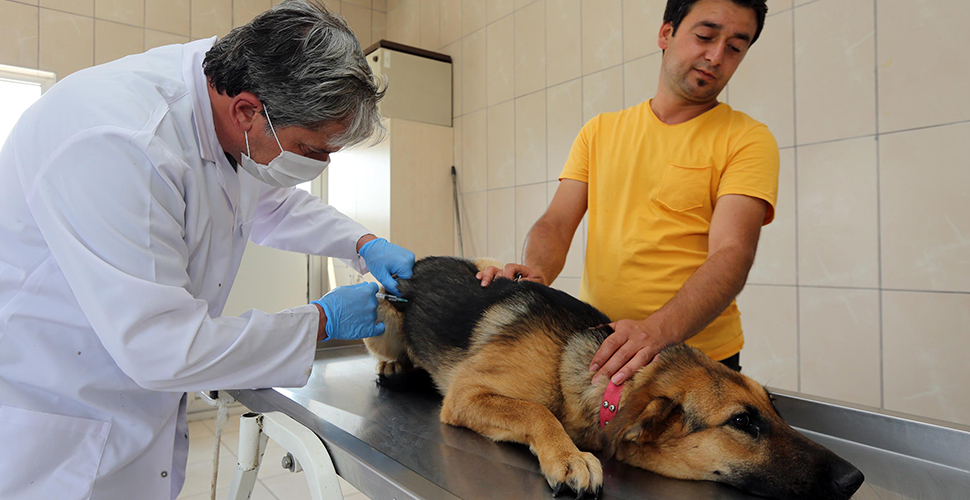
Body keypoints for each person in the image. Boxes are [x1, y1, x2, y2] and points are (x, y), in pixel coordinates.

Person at [0, 1, 411, 498]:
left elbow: (268, 205)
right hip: (58, 419)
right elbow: (162, 348)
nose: (321, 164)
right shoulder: (122, 143)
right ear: (247, 110)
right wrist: (320, 321)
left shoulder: (227, 109)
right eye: (313, 149)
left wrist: (363, 244)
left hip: (129, 410)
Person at [479, 0, 778, 387]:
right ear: (666, 33)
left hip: (697, 362)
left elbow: (732, 252)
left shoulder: (748, 139)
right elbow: (556, 222)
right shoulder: (600, 132)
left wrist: (656, 331)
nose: (716, 56)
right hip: (604, 347)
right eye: (705, 36)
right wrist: (537, 271)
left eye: (735, 47)